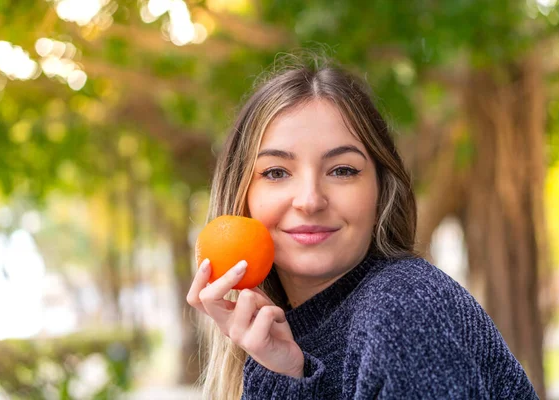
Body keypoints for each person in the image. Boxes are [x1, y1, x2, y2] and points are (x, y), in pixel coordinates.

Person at [186, 55, 538, 399]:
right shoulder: (282, 338)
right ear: (241, 196)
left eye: (342, 170)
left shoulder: (404, 309)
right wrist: (287, 373)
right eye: (276, 172)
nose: (310, 200)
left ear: (381, 190)